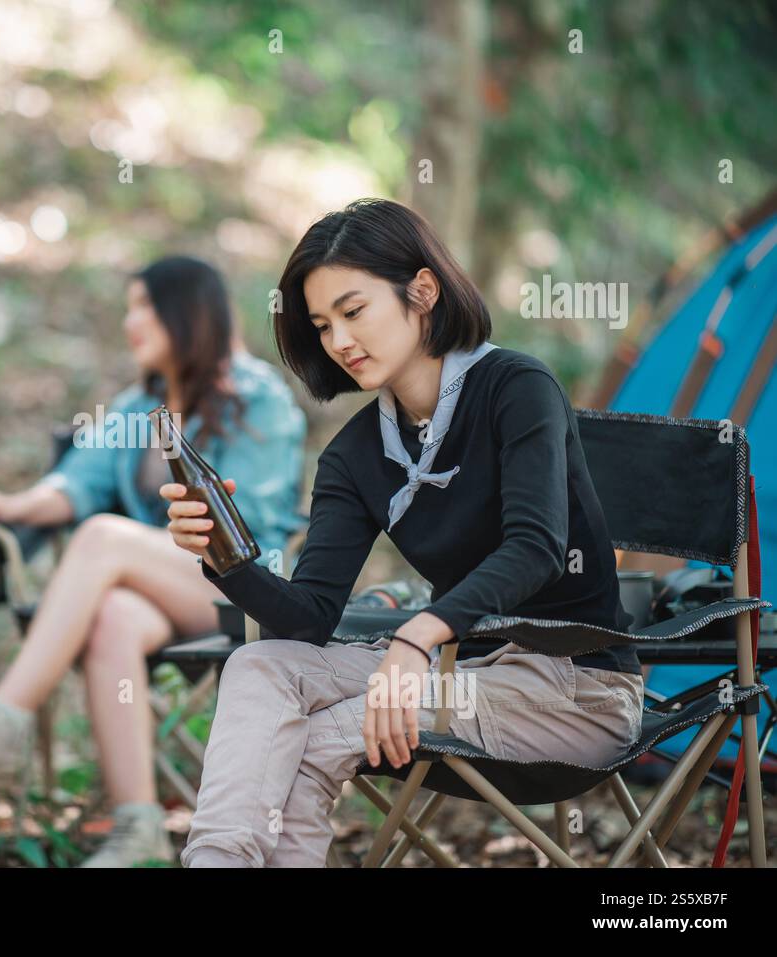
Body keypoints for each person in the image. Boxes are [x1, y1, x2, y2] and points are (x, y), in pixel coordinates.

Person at [161, 199, 645, 867]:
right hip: (457, 675)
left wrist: (416, 638)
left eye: (353, 311)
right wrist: (225, 558)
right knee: (257, 662)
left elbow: (535, 546)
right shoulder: (356, 454)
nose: (338, 341)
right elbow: (306, 620)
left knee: (323, 735)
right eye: (323, 325)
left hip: (575, 688)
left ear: (422, 290)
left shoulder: (516, 388)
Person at [0, 256, 307, 867]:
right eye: (128, 308)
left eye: (143, 306)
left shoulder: (261, 398)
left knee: (102, 537)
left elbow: (248, 524)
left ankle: (4, 719)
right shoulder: (135, 408)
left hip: (245, 586)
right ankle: (138, 826)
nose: (131, 322)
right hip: (166, 590)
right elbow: (74, 484)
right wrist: (8, 503)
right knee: (114, 617)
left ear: (188, 313)